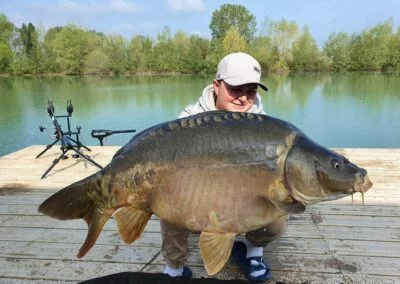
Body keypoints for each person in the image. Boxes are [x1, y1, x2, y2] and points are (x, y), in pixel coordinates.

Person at [161, 52, 288, 282]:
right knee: (171, 201)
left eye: (250, 91)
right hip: (196, 194)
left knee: (278, 216)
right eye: (236, 89)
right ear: (216, 85)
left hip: (241, 197)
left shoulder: (264, 125)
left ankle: (253, 251)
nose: (243, 98)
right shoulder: (190, 119)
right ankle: (174, 266)